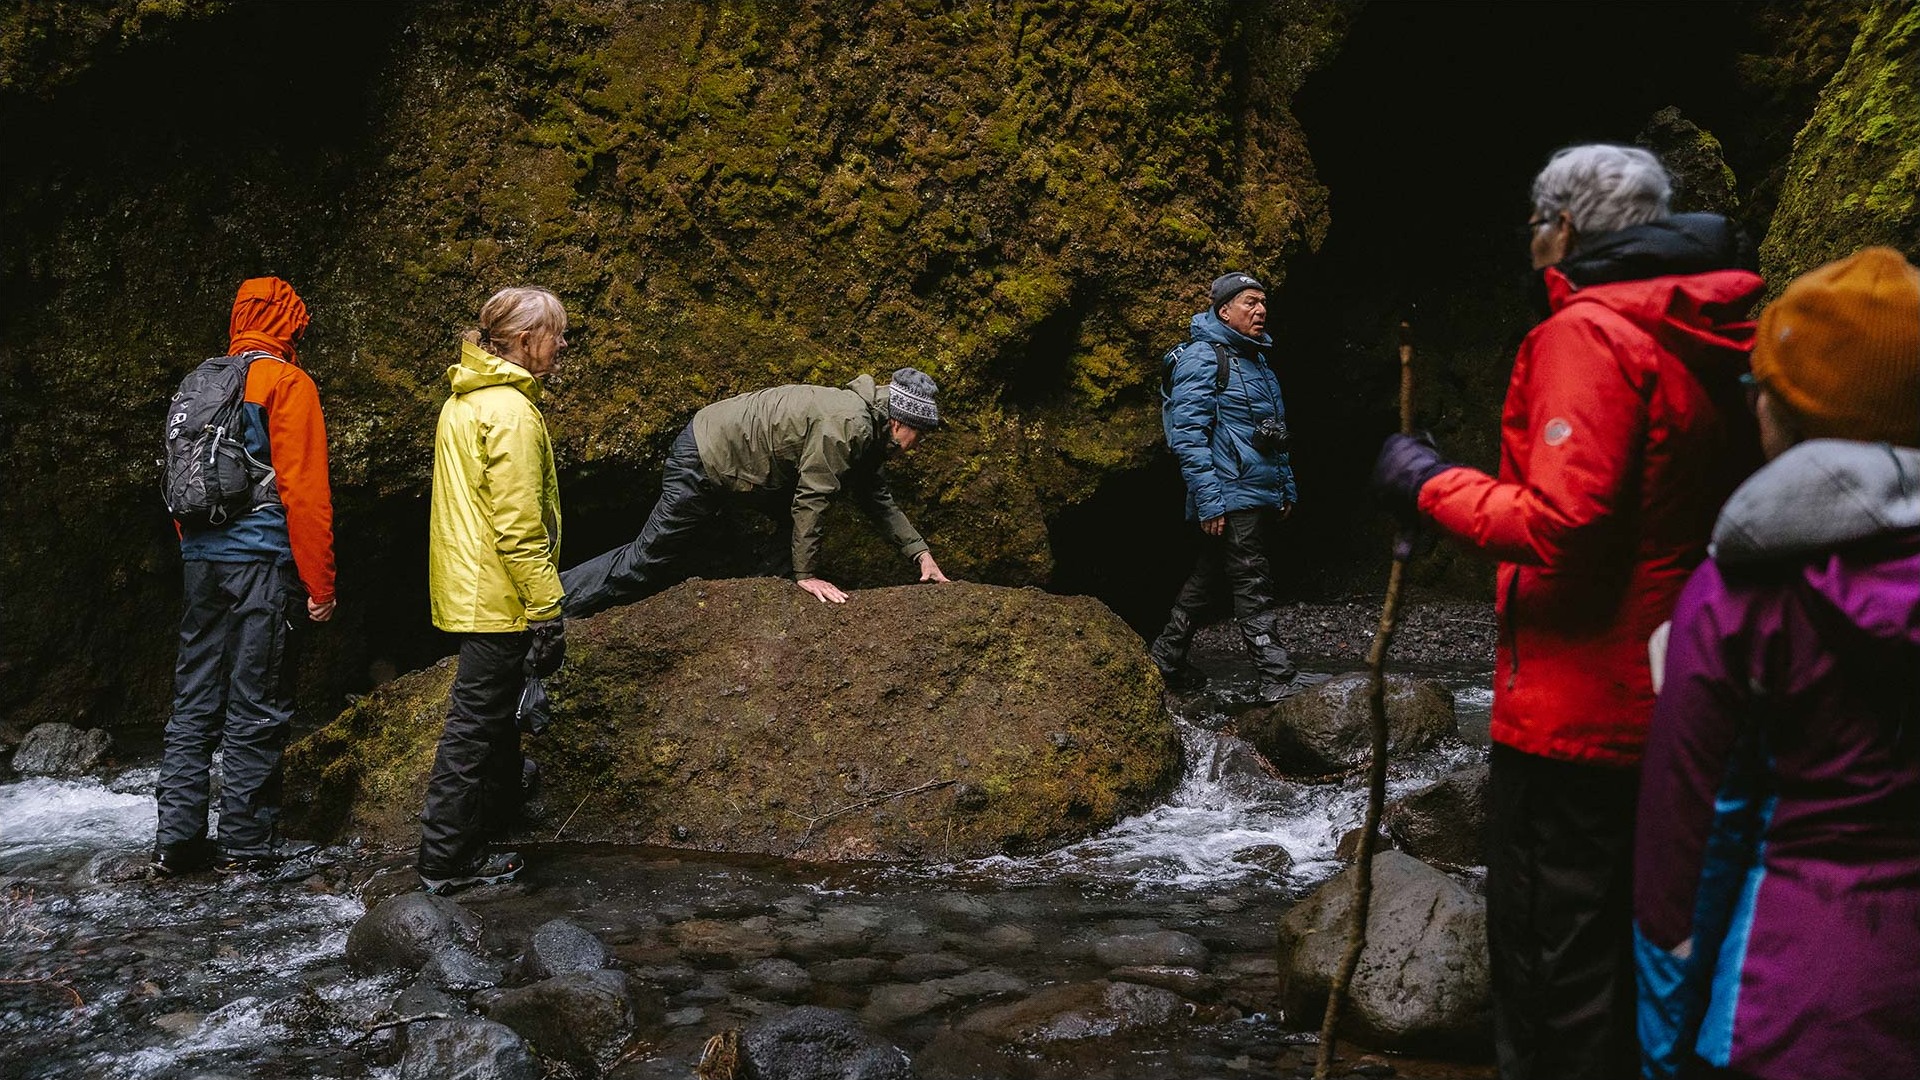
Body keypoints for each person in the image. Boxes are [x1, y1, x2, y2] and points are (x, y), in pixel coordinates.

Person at [1370, 144, 1763, 1080]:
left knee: (1557, 972)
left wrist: (1428, 485)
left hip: (1577, 712)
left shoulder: (1589, 334)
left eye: (1538, 224)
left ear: (1566, 229)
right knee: (1642, 955)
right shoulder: (1704, 328)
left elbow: (1569, 523)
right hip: (1672, 693)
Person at [1635, 247, 1920, 1080]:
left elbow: (1685, 858)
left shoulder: (1739, 595)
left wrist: (1665, 1055)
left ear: (1783, 413)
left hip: (1796, 1004)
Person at [153, 276, 336, 876]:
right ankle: (245, 849)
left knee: (194, 699)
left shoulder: (198, 382)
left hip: (201, 563)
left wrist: (198, 547)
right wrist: (320, 583)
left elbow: (181, 483)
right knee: (256, 701)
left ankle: (177, 842)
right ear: (288, 324)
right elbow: (304, 494)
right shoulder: (287, 383)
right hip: (261, 564)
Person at [561, 369, 948, 615]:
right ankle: (548, 606)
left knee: (785, 526)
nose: (920, 443)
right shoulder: (848, 425)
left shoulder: (868, 426)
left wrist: (920, 554)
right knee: (645, 560)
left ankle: (773, 604)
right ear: (901, 421)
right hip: (705, 456)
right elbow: (813, 498)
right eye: (921, 434)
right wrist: (807, 574)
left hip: (731, 457)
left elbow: (875, 497)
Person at [416, 287, 569, 894]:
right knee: (474, 725)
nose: (562, 346)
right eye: (556, 334)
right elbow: (519, 523)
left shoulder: (465, 399)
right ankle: (444, 861)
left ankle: (497, 812)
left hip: (470, 585)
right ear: (528, 341)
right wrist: (547, 606)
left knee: (495, 718)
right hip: (497, 594)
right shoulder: (509, 411)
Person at [1148, 271, 1304, 702]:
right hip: (1229, 491)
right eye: (1250, 303)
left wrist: (1285, 487)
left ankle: (1166, 660)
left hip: (1254, 489)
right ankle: (1277, 676)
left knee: (1208, 576)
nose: (1261, 311)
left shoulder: (1256, 360)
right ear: (1224, 311)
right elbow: (1189, 437)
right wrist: (1209, 500)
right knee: (1251, 577)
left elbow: (1272, 433)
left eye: (1263, 303)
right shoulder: (1203, 358)